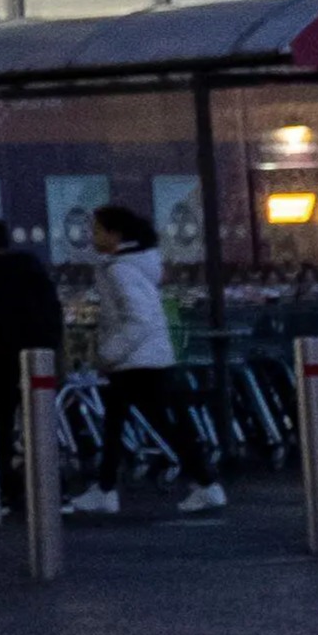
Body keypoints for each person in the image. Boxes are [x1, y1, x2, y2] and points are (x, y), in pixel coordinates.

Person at [68, 203, 221, 516]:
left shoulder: (121, 270)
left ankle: (204, 483)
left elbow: (138, 317)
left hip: (135, 361)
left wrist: (109, 353)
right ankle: (109, 487)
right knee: (139, 422)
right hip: (146, 358)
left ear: (115, 234)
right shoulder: (133, 265)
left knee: (144, 423)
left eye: (97, 229)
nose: (92, 235)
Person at [0, 215, 67, 516]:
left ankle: (2, 488)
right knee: (37, 423)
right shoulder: (33, 272)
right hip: (39, 358)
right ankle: (50, 488)